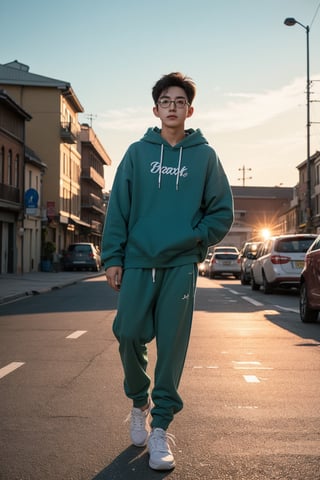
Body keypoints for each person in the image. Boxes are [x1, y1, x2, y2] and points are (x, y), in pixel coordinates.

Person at [101, 72, 234, 471]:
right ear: (156, 108)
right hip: (140, 261)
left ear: (189, 110)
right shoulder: (137, 153)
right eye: (165, 100)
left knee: (172, 348)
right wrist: (113, 258)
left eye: (180, 101)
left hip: (180, 265)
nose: (172, 106)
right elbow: (118, 209)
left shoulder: (204, 156)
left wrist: (195, 239)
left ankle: (160, 427)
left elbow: (221, 211)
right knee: (127, 333)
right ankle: (139, 400)